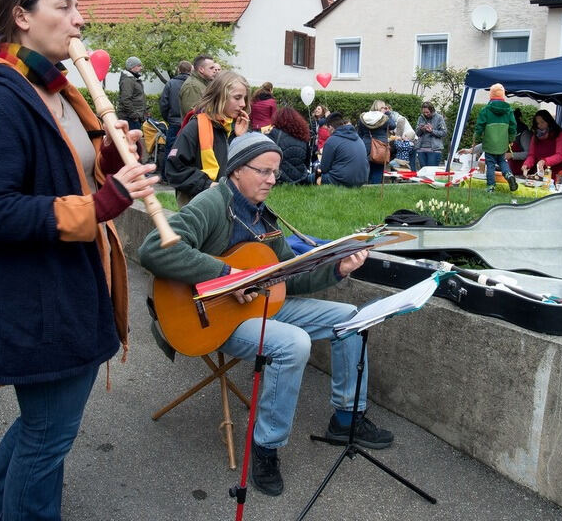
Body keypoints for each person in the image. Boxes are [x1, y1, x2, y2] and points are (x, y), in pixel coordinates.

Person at [0, 0, 159, 519]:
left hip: (73, 288)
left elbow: (68, 170)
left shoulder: (57, 90)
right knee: (47, 440)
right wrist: (101, 204)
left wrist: (111, 160)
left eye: (78, 7)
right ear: (21, 17)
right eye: (64, 6)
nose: (80, 19)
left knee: (39, 431)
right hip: (35, 300)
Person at [138, 132, 393, 496]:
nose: (273, 180)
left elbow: (288, 277)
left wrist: (338, 269)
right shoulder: (212, 204)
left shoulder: (265, 218)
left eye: (275, 173)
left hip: (261, 307)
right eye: (265, 172)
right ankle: (266, 446)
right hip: (209, 316)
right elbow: (153, 249)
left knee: (350, 317)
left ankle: (347, 417)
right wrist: (227, 276)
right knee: (293, 343)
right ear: (238, 170)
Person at [165, 70, 250, 207]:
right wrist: (208, 185)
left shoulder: (229, 127)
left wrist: (238, 138)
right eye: (237, 97)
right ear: (219, 96)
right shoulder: (195, 127)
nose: (243, 104)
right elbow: (174, 170)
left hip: (223, 205)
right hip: (199, 207)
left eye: (244, 98)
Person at [473, 84, 519, 192]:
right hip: (502, 143)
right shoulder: (509, 111)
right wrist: (511, 139)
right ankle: (508, 175)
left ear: (491, 96)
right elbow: (513, 126)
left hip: (489, 143)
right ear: (503, 96)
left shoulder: (486, 110)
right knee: (503, 161)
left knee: (490, 165)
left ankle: (491, 186)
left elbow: (479, 125)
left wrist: (476, 137)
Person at [158, 60, 192, 177]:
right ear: (191, 70)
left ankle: (166, 176)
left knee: (170, 149)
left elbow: (163, 103)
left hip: (174, 122)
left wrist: (168, 118)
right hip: (189, 122)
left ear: (178, 70)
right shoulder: (194, 84)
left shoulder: (171, 84)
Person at [317, 112, 368, 187]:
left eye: (327, 128)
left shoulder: (331, 140)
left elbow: (324, 168)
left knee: (313, 178)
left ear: (330, 127)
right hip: (362, 179)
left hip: (342, 180)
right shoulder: (358, 137)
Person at [267, 106, 312, 184]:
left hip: (279, 177)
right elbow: (307, 161)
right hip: (300, 177)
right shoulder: (303, 137)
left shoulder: (274, 133)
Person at [522, 109, 562, 180]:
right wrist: (526, 165)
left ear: (549, 122)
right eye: (537, 123)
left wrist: (544, 161)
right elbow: (531, 155)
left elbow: (560, 155)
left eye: (542, 122)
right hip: (541, 173)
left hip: (558, 173)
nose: (540, 125)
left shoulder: (560, 134)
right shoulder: (535, 136)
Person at [358, 100, 396, 184]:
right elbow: (393, 125)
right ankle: (375, 187)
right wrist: (388, 113)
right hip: (380, 146)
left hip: (365, 145)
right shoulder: (384, 118)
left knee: (367, 168)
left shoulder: (363, 117)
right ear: (382, 108)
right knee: (378, 169)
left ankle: (365, 187)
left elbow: (359, 133)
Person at [117, 56, 146, 131]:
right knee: (131, 141)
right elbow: (125, 99)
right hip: (129, 119)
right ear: (131, 67)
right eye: (139, 66)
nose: (141, 68)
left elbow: (137, 98)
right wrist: (134, 115)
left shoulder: (133, 79)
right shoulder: (128, 80)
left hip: (133, 118)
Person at [414, 101, 446, 168]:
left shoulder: (439, 118)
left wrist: (432, 131)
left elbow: (444, 132)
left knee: (431, 173)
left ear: (432, 111)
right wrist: (422, 129)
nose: (425, 114)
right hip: (421, 149)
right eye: (424, 112)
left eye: (427, 112)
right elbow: (417, 133)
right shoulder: (421, 118)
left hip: (434, 150)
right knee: (423, 173)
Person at [507, 108, 532, 175]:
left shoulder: (524, 133)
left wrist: (511, 155)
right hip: (511, 168)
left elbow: (528, 154)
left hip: (523, 170)